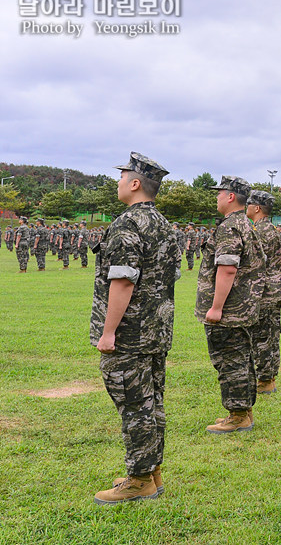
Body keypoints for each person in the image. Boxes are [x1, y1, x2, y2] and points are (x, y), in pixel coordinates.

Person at [91, 152, 179, 505]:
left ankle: (139, 478)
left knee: (134, 404)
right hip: (155, 330)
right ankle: (152, 470)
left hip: (130, 332)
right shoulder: (162, 223)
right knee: (151, 400)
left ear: (135, 182)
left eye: (121, 176)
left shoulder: (129, 224)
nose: (118, 182)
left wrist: (109, 331)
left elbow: (124, 281)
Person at [196, 176, 264, 433]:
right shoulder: (243, 223)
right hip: (241, 307)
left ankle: (238, 415)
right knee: (241, 358)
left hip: (229, 310)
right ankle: (243, 409)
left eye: (219, 193)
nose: (217, 197)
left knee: (230, 360)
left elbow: (226, 269)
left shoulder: (229, 226)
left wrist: (216, 307)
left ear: (231, 196)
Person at [246, 190, 281, 394]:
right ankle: (269, 378)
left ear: (257, 208)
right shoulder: (271, 230)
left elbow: (254, 265)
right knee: (270, 335)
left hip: (262, 292)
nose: (247, 207)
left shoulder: (259, 232)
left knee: (262, 338)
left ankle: (265, 381)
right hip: (272, 290)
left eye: (250, 204)